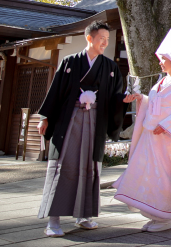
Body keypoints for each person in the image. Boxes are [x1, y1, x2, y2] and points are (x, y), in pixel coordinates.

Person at [37, 21, 127, 237]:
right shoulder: (69, 62)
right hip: (70, 119)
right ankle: (54, 220)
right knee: (63, 165)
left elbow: (115, 95)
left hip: (95, 121)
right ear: (89, 38)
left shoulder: (110, 67)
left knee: (90, 167)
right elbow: (55, 91)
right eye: (101, 38)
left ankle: (84, 216)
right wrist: (45, 117)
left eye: (107, 39)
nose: (105, 42)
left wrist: (125, 100)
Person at [113, 28, 171, 233]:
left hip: (168, 140)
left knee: (165, 175)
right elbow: (155, 103)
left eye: (163, 58)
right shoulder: (162, 81)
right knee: (147, 172)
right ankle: (153, 213)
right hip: (152, 137)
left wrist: (166, 125)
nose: (160, 62)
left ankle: (164, 215)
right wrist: (142, 99)